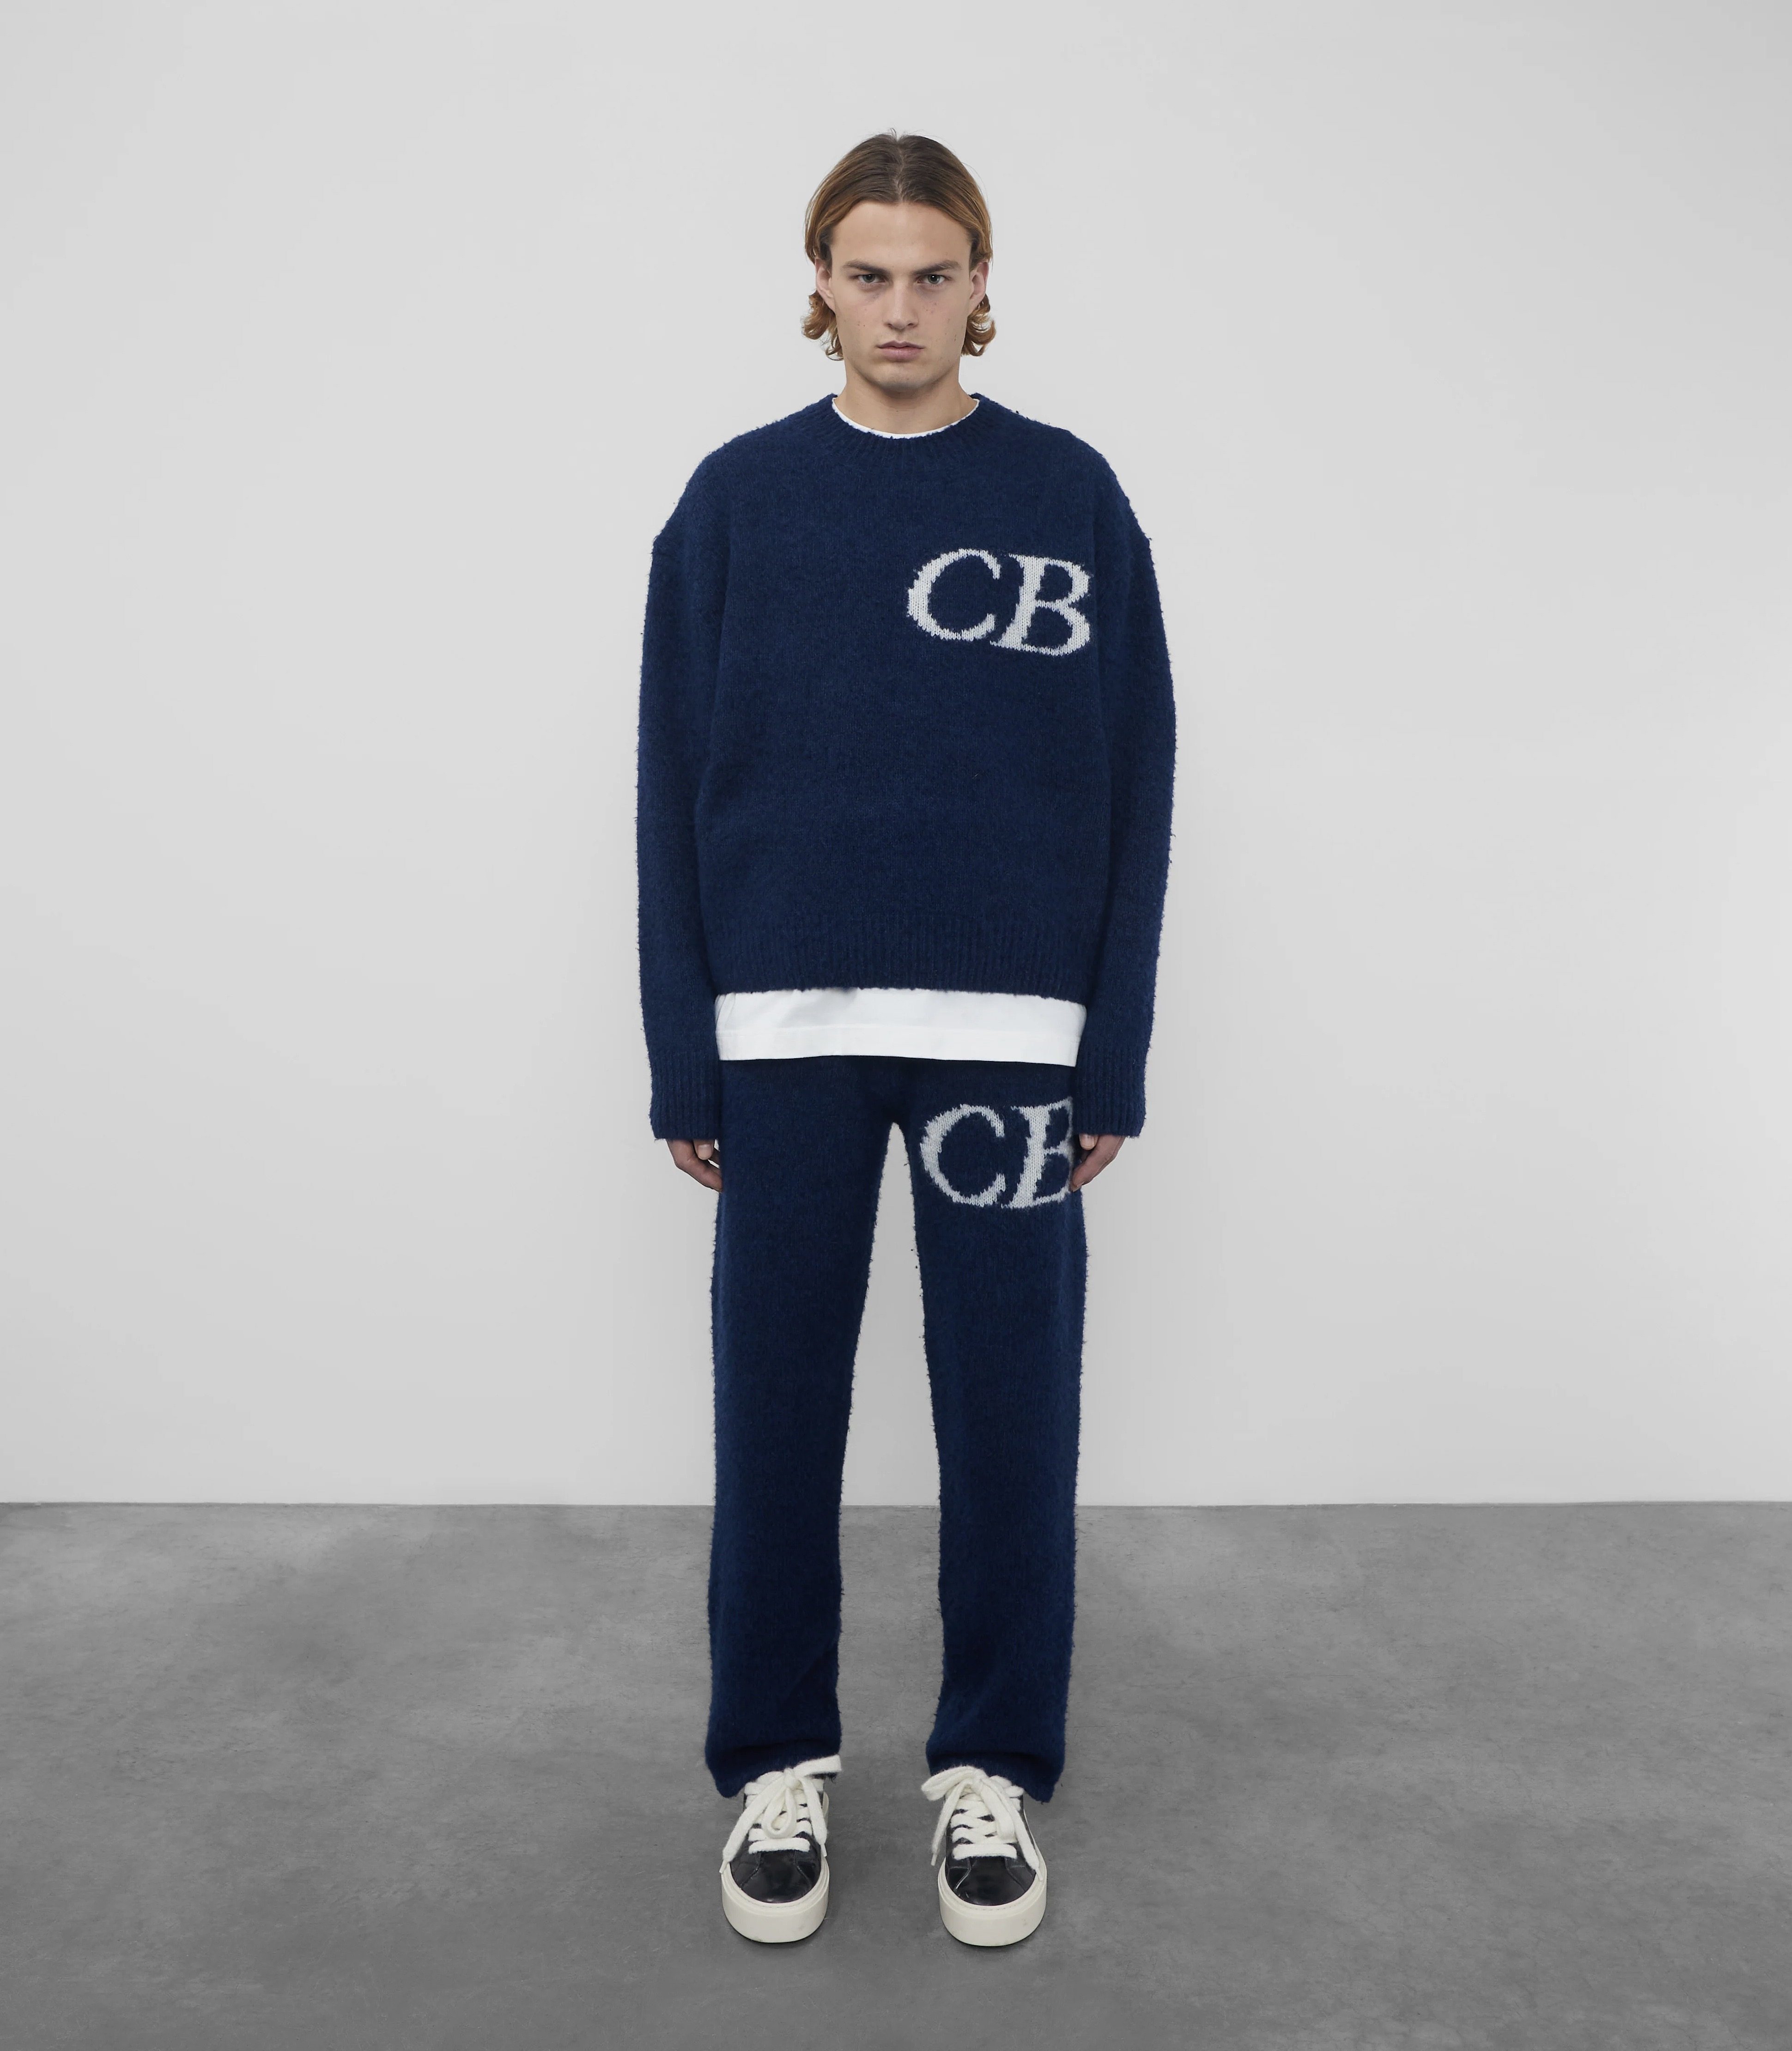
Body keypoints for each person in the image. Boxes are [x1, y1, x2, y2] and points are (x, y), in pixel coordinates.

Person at [635, 129, 1177, 1948]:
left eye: (932, 275)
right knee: (775, 1411)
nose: (898, 309)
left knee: (1012, 1414)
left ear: (979, 285)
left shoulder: (1071, 495)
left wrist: (1111, 1051)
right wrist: (684, 1053)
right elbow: (668, 788)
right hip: (782, 1035)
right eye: (867, 275)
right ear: (821, 283)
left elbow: (1138, 780)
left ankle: (991, 1770)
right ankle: (777, 1761)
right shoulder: (734, 502)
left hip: (1010, 1046)